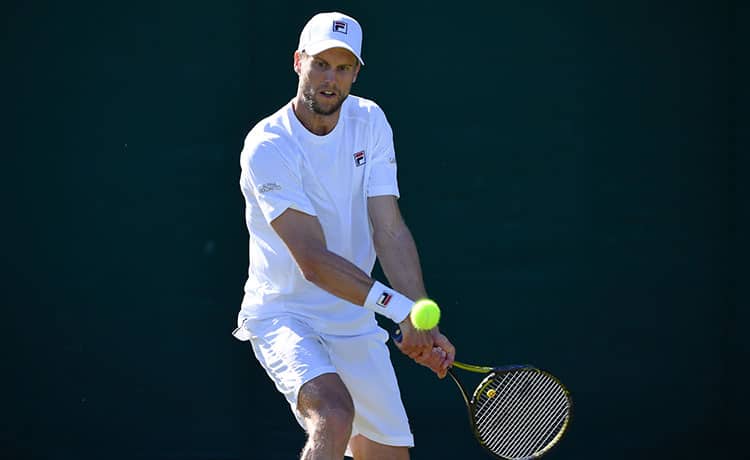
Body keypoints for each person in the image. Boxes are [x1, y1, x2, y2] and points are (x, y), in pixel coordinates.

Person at [232, 11, 456, 460]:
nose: (329, 80)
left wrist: (421, 318)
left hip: (353, 319)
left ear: (356, 73)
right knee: (333, 415)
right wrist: (398, 310)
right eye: (320, 64)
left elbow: (389, 228)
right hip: (284, 313)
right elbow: (311, 260)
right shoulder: (269, 145)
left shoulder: (369, 121)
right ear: (298, 62)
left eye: (342, 67)